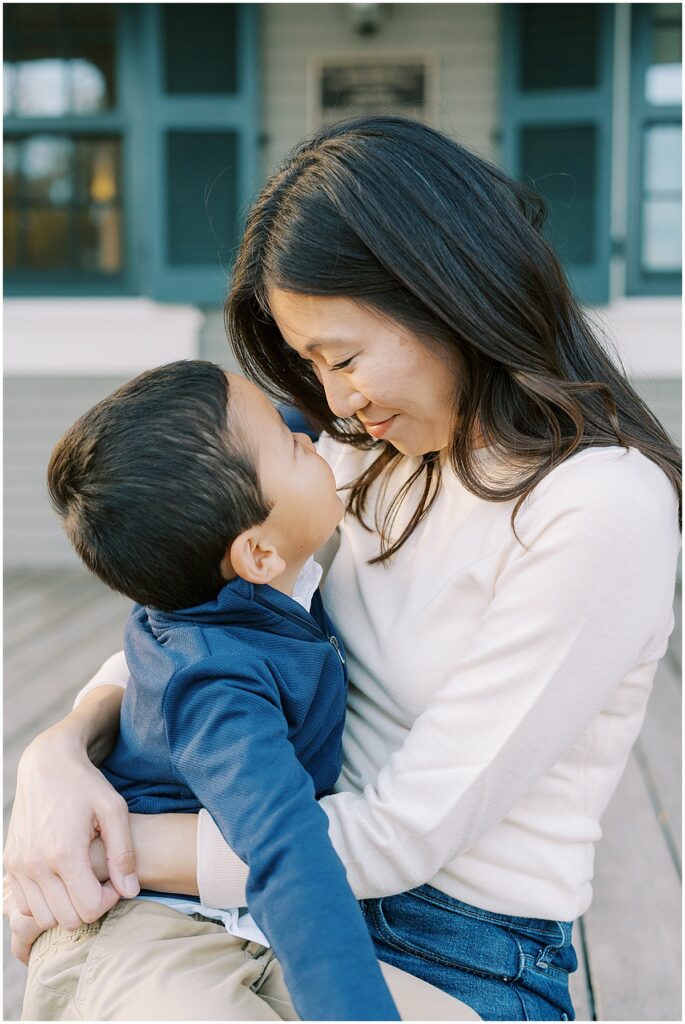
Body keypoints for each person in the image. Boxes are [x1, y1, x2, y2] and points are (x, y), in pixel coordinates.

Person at [5, 115, 681, 1023]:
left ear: (446, 292)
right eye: (311, 367)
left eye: (345, 357)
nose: (332, 403)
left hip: (452, 949)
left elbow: (402, 835)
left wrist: (108, 844)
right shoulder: (372, 456)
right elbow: (204, 623)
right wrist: (58, 758)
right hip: (254, 900)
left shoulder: (597, 508)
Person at [21, 360, 399, 1022]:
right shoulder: (219, 688)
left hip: (236, 920)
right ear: (256, 553)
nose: (308, 439)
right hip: (152, 925)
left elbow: (282, 424)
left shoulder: (196, 579)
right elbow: (286, 850)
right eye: (289, 446)